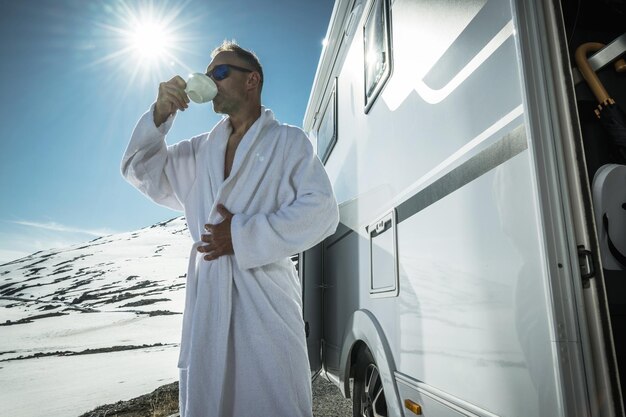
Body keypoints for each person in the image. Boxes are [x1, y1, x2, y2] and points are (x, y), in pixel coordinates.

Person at [121, 41, 339, 417]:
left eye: (220, 72)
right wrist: (159, 115)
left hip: (265, 307)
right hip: (209, 305)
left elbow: (322, 211)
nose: (210, 80)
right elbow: (141, 171)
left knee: (272, 401)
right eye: (207, 74)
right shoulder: (198, 151)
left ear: (252, 79)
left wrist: (240, 235)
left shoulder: (289, 143)